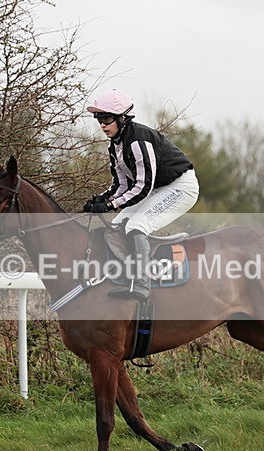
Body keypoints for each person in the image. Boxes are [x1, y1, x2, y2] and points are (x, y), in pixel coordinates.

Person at [83, 89, 199, 301]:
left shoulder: (138, 140)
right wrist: (102, 199)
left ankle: (142, 284)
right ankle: (128, 275)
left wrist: (110, 206)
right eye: (99, 119)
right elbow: (121, 184)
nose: (102, 125)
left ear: (123, 118)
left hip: (180, 188)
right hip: (157, 188)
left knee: (137, 225)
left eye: (107, 119)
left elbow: (142, 187)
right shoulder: (115, 145)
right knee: (116, 227)